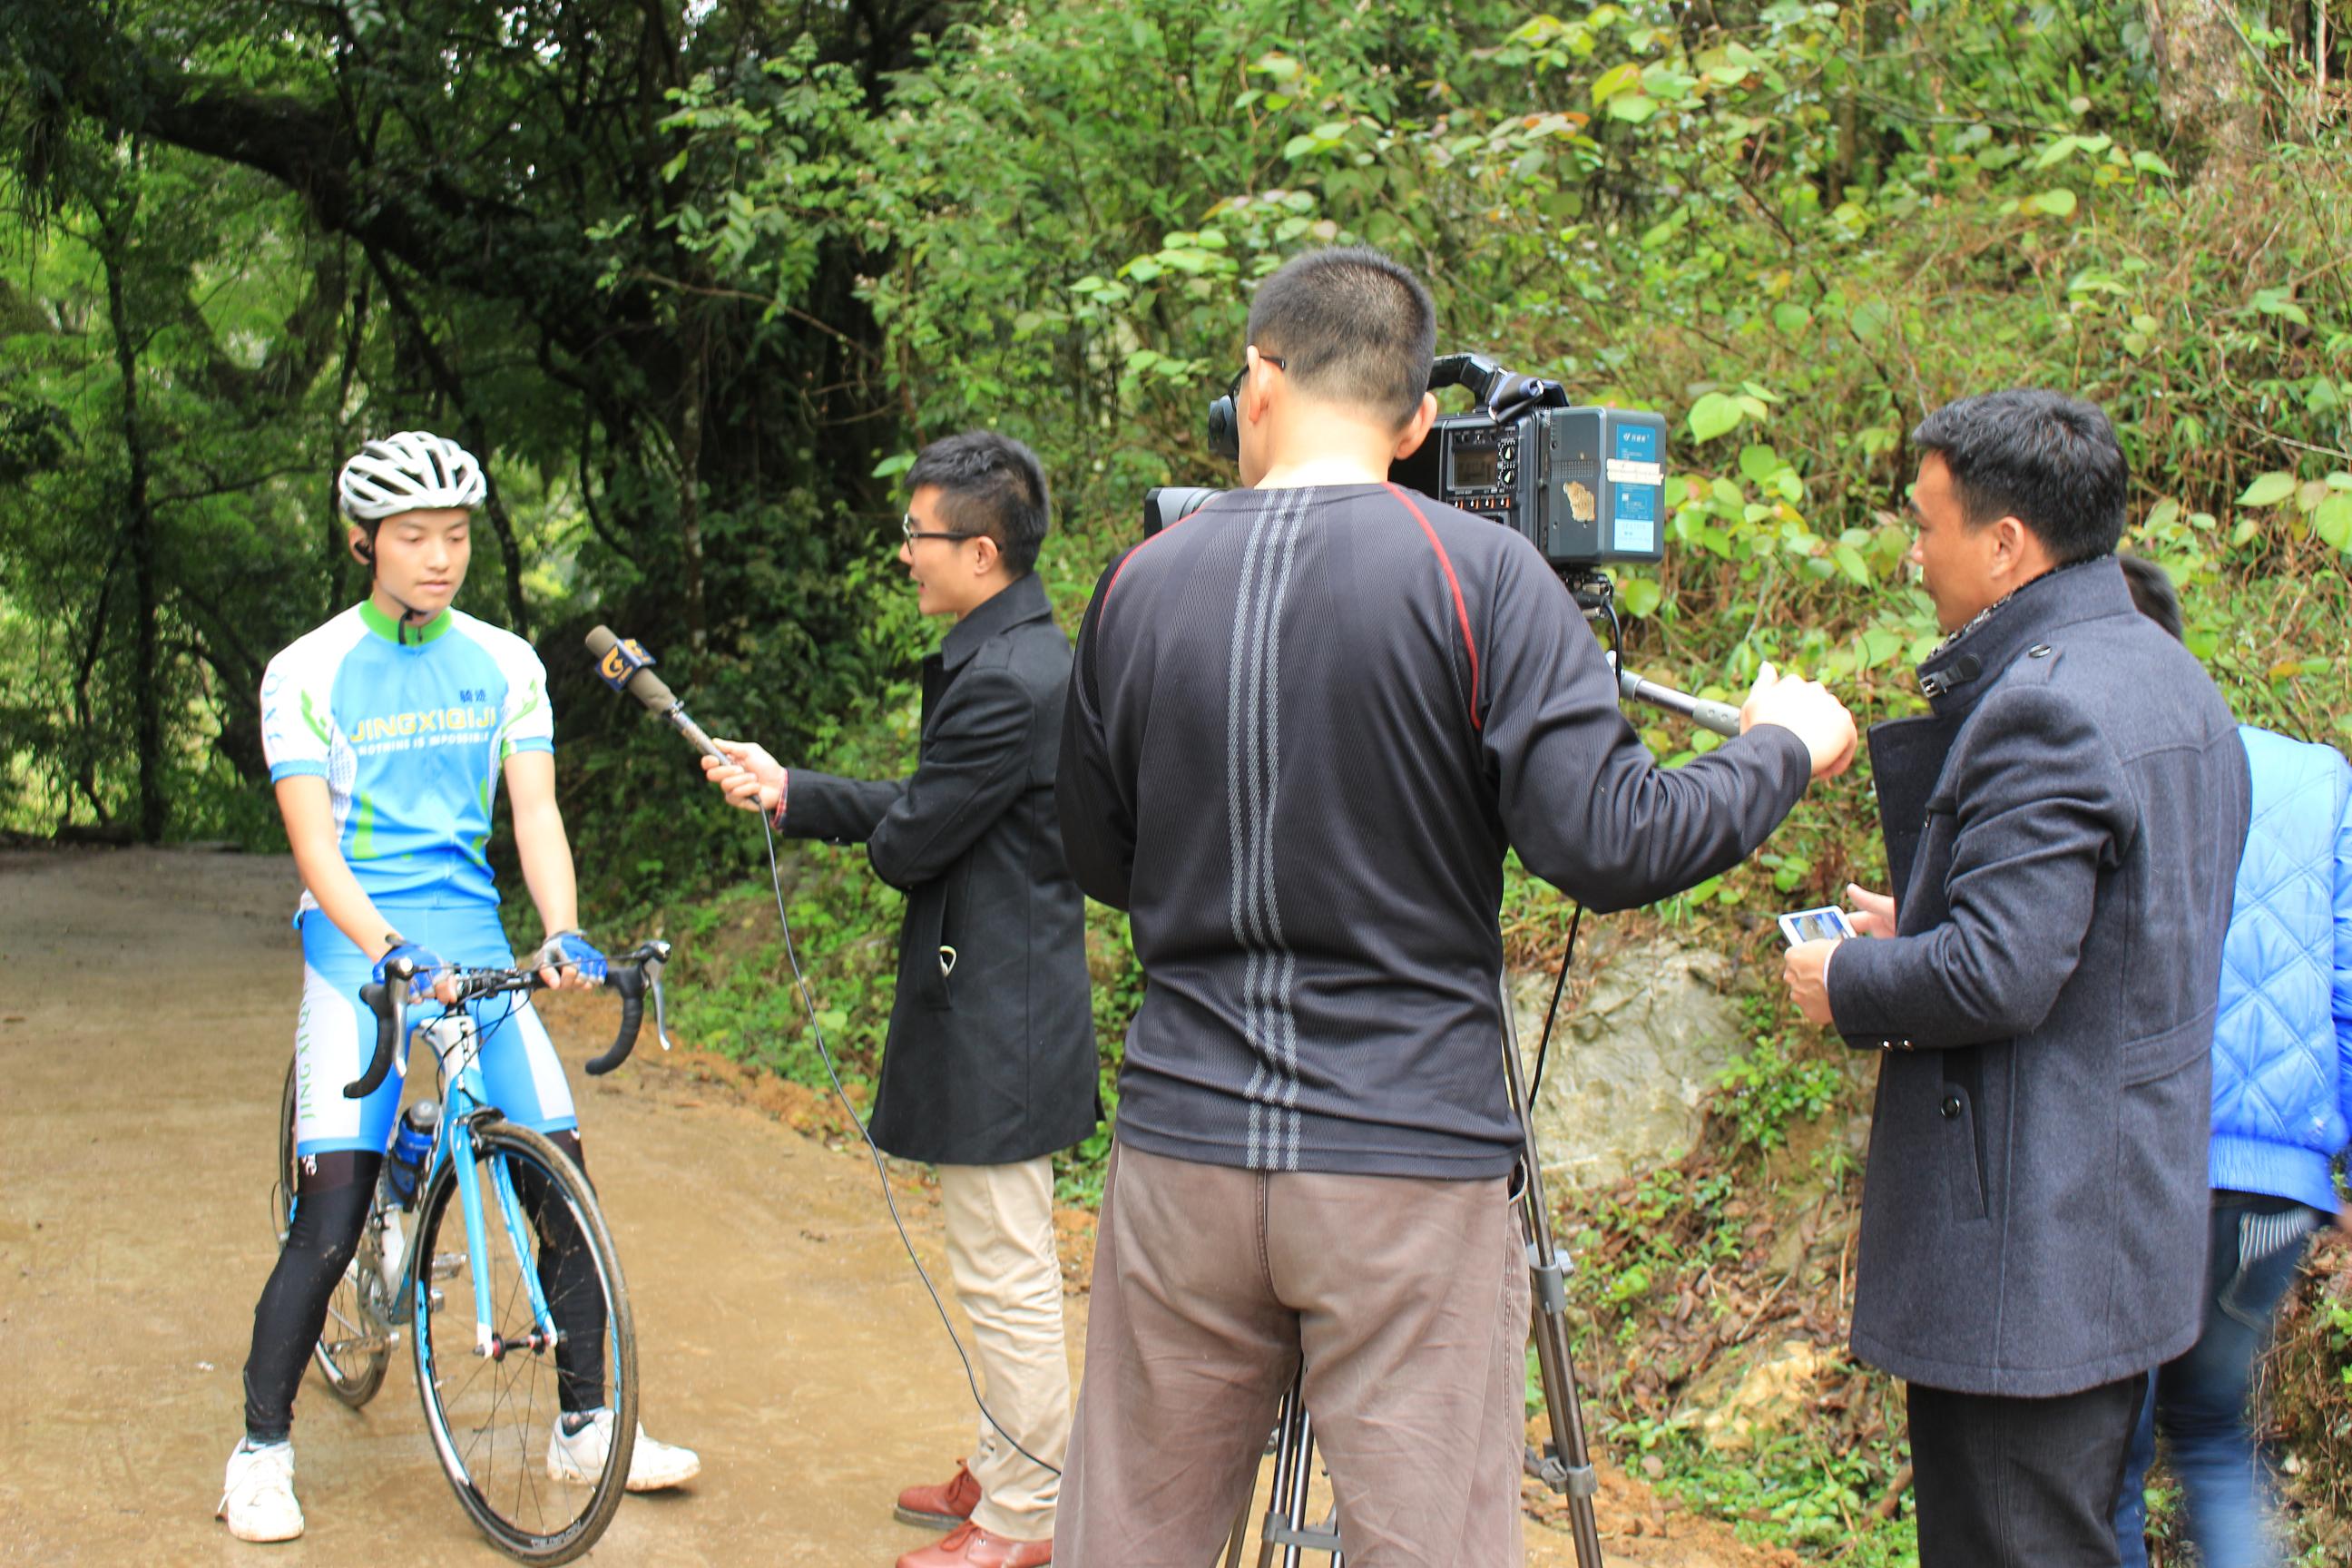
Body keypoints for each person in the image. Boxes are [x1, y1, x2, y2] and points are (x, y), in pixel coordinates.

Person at [1052, 245, 1858, 1567]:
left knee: (1132, 1535)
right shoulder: (1483, 574)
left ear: (1257, 381)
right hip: (1406, 1163)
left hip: (1182, 1150)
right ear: (1421, 419)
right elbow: (1611, 842)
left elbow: (1097, 853)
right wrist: (1777, 749)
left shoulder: (1140, 582)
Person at [1779, 392, 2251, 1567]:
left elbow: (1998, 976)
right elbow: (2115, 932)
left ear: (2005, 544)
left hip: (2029, 1251)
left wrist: (1854, 977)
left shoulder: (2044, 705)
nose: (1912, 554)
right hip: (2122, 1221)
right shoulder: (2167, 676)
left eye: (1925, 525)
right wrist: (1928, 918)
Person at [223, 431, 699, 1543]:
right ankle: (260, 1452)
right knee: (330, 1216)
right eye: (414, 537)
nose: (440, 557)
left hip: (473, 938)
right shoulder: (306, 670)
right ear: (364, 544)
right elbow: (315, 850)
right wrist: (388, 948)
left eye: (456, 536)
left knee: (560, 1177)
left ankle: (586, 1424)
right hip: (361, 948)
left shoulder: (506, 661)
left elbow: (534, 812)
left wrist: (562, 929)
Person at [701, 430, 1093, 1568]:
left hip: (1001, 1020)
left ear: (981, 552)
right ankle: (1007, 1460)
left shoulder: (1006, 683)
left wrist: (863, 822)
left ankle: (1027, 1514)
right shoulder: (1019, 655)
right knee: (992, 1257)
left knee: (1006, 1270)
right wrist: (791, 790)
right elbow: (933, 803)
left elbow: (913, 839)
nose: (905, 553)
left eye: (917, 535)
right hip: (1009, 1002)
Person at [2108, 554, 2350, 1568]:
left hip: (2151, 1167)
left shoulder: (2117, 772)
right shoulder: (2320, 778)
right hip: (2279, 1189)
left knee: (2109, 1460)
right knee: (2212, 1436)